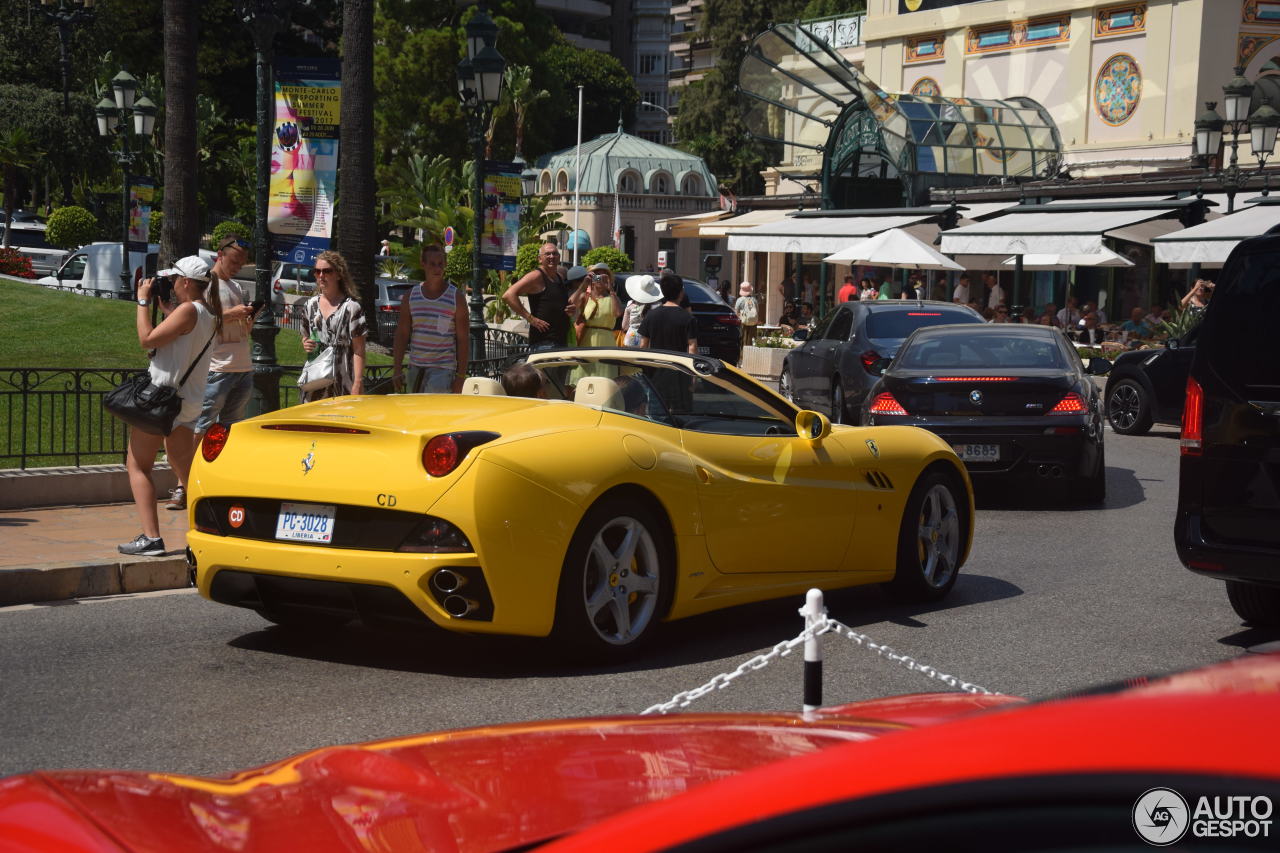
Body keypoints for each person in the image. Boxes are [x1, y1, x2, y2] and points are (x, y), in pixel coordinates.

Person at [119, 256, 221, 556]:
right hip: (186, 404)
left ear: (186, 282)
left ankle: (151, 538)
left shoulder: (188, 310)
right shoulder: (210, 314)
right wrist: (167, 313)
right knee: (187, 471)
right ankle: (212, 528)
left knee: (138, 466)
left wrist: (141, 302)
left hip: (161, 403)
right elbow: (178, 345)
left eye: (175, 279)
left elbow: (146, 339)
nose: (172, 284)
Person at [190, 235, 255, 505]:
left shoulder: (237, 286)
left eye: (242, 262)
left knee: (230, 429)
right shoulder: (207, 285)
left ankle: (219, 478)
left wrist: (248, 318)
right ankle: (187, 480)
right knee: (202, 425)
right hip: (218, 368)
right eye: (234, 260)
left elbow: (242, 330)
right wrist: (231, 315)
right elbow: (199, 318)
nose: (238, 266)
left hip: (242, 366)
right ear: (220, 254)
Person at [392, 243, 469, 394]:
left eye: (440, 264)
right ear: (423, 264)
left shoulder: (456, 298)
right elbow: (402, 333)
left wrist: (460, 376)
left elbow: (463, 339)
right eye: (432, 264)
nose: (437, 268)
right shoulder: (411, 297)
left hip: (443, 370)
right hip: (416, 368)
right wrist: (397, 368)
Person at [299, 251, 368, 401]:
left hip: (343, 379)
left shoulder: (351, 308)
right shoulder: (310, 305)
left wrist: (357, 382)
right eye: (317, 271)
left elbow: (359, 349)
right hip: (316, 378)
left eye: (327, 271)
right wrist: (306, 343)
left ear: (338, 274)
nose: (321, 276)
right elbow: (305, 336)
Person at [503, 242, 574, 351]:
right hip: (544, 343)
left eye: (555, 254)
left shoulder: (559, 277)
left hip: (561, 341)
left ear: (559, 257)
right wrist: (530, 318)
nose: (552, 257)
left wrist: (570, 309)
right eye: (548, 254)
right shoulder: (536, 276)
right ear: (540, 259)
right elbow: (508, 295)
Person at [639, 271, 697, 354]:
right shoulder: (688, 318)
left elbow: (643, 344)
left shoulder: (650, 315)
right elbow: (692, 346)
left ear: (662, 292)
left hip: (656, 363)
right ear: (681, 293)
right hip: (678, 364)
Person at [573, 263, 623, 348]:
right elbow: (571, 303)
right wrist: (583, 285)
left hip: (607, 340)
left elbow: (618, 313)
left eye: (603, 276)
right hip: (587, 340)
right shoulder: (585, 296)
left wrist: (611, 289)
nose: (600, 278)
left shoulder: (613, 298)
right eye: (597, 275)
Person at [622, 274, 662, 346]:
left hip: (631, 339)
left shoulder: (630, 304)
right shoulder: (658, 306)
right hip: (649, 340)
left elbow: (624, 327)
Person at [734, 281, 760, 346]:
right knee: (751, 339)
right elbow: (757, 310)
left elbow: (736, 312)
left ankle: (743, 353)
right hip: (753, 322)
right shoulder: (754, 300)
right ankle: (751, 353)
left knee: (743, 339)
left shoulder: (739, 300)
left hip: (743, 322)